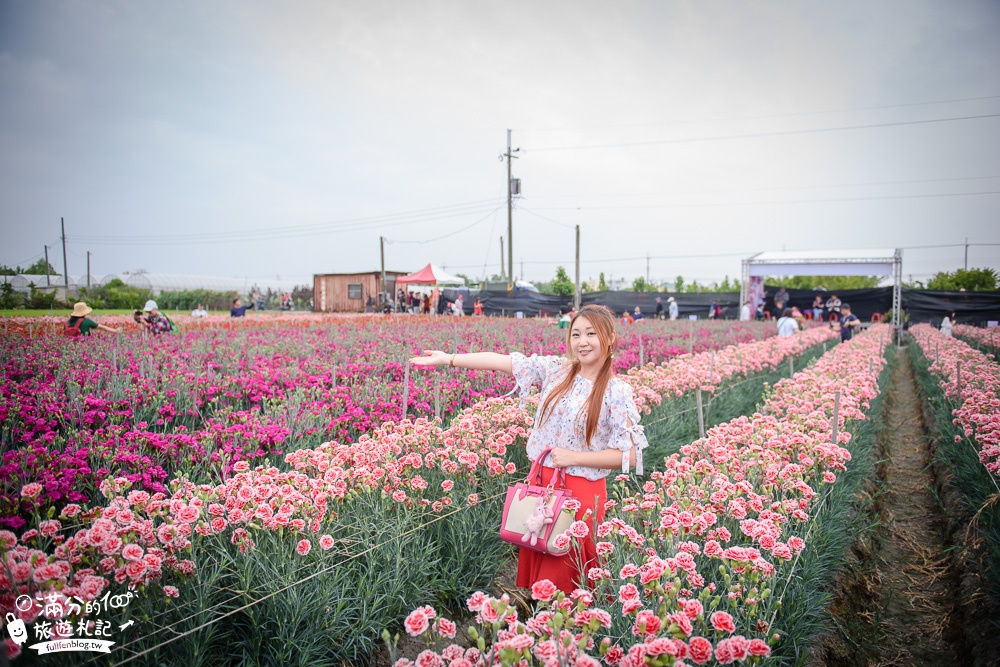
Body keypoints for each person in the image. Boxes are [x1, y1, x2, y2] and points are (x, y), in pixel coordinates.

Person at [409, 304, 648, 593]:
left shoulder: (616, 390)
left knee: (566, 578)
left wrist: (575, 457)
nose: (582, 342)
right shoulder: (558, 370)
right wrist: (449, 359)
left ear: (609, 338)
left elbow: (630, 454)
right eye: (576, 334)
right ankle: (543, 630)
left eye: (590, 334)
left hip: (580, 491)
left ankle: (568, 632)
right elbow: (504, 362)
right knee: (541, 571)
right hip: (542, 485)